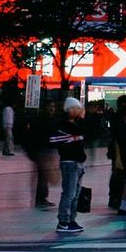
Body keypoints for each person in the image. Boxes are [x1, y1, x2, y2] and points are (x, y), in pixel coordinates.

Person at [50, 97, 87, 234]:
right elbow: (57, 140)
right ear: (69, 109)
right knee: (69, 193)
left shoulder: (76, 124)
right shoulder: (63, 125)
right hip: (69, 162)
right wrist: (75, 138)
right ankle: (63, 221)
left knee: (75, 194)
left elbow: (86, 133)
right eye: (76, 108)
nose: (79, 111)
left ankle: (71, 219)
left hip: (78, 162)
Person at [106, 95, 126, 212]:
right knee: (119, 175)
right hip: (119, 151)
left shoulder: (118, 118)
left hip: (120, 151)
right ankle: (116, 198)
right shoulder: (119, 119)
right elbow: (116, 137)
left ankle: (115, 198)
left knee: (118, 175)